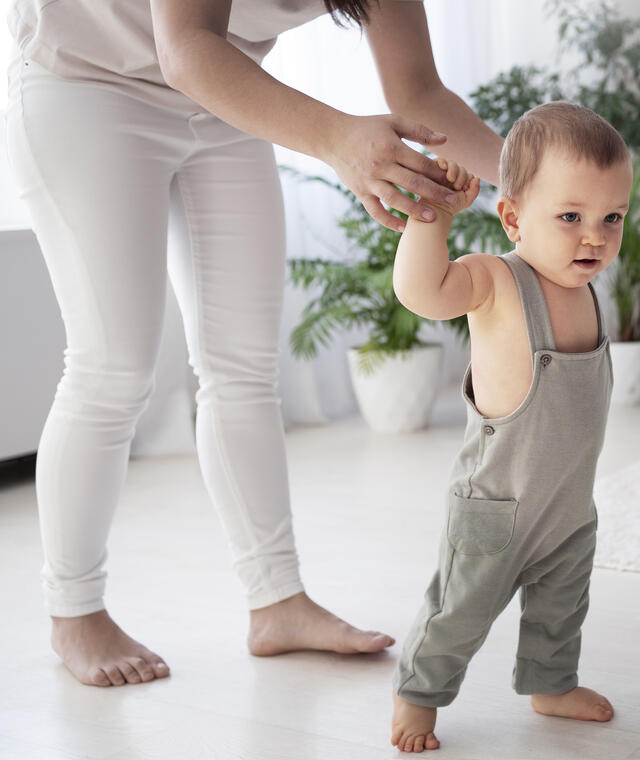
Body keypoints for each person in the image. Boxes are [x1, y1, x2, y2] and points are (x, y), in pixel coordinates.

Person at [4, 0, 502, 687]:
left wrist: (537, 178)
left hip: (222, 95)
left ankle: (278, 603)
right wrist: (339, 140)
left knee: (244, 367)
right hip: (86, 79)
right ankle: (74, 612)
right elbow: (184, 45)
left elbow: (418, 90)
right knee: (112, 368)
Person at [389, 101, 633, 753]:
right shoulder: (498, 281)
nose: (595, 237)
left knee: (561, 609)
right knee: (460, 609)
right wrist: (431, 222)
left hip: (567, 508)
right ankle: (418, 692)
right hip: (495, 507)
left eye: (612, 217)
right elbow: (423, 292)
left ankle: (551, 683)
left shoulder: (584, 288)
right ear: (513, 217)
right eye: (571, 217)